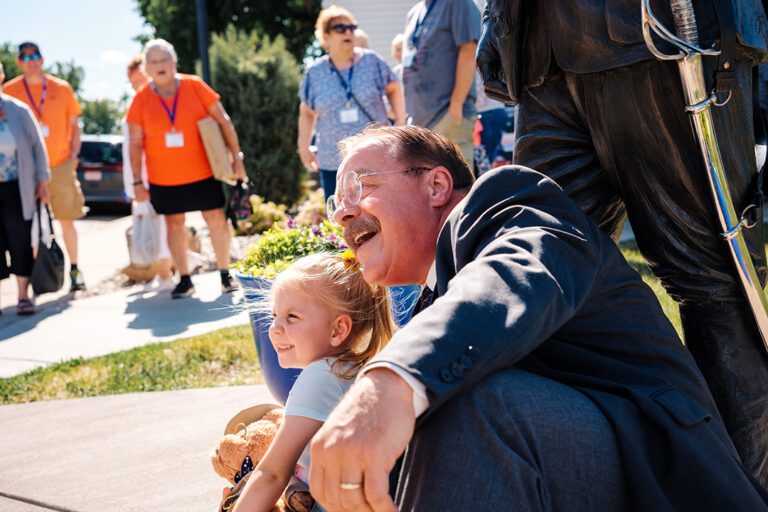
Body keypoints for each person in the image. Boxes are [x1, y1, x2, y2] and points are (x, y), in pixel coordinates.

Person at [309, 125, 768, 511]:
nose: (343, 212)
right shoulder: (435, 298)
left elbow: (517, 272)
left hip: (664, 473)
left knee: (481, 405)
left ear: (436, 186)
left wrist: (392, 379)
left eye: (361, 186)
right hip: (580, 468)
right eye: (335, 202)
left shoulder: (504, 201)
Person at [476, 0, 768, 484]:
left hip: (663, 37)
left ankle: (739, 493)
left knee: (712, 283)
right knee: (541, 277)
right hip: (539, 48)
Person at [229, 251, 395, 512]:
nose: (275, 328)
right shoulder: (350, 369)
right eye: (274, 316)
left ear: (338, 329)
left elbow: (272, 473)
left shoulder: (322, 375)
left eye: (292, 317)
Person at [126, 38, 246, 298]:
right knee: (173, 224)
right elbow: (134, 145)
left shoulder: (194, 86)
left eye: (164, 59)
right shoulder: (140, 99)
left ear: (174, 61)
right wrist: (137, 181)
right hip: (163, 177)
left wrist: (236, 157)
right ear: (146, 67)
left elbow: (224, 122)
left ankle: (225, 275)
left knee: (216, 220)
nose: (160, 65)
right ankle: (185, 279)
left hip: (203, 171)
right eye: (153, 61)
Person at [298, 5, 406, 201]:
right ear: (326, 36)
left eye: (352, 27)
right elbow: (306, 110)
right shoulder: (315, 72)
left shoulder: (371, 61)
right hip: (333, 160)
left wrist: (400, 122)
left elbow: (394, 87)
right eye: (341, 28)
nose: (348, 32)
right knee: (340, 217)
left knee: (380, 213)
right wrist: (304, 146)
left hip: (376, 156)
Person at [4, 41, 86, 292]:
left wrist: (73, 157)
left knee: (66, 220)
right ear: (19, 62)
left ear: (42, 59)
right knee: (29, 226)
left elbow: (75, 126)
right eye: (26, 57)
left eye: (36, 55)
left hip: (60, 164)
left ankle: (74, 268)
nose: (31, 60)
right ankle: (39, 277)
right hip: (25, 171)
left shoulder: (61, 88)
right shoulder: (10, 90)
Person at [401, 0, 480, 172]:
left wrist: (456, 105)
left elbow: (468, 49)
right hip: (418, 122)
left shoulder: (458, 3)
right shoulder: (414, 12)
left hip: (447, 116)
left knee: (457, 189)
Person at [0, 61, 49, 315]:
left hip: (18, 188)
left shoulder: (18, 110)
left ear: (1, 76)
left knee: (20, 241)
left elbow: (39, 148)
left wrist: (43, 181)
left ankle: (23, 296)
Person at [122, 55, 174, 291]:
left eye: (140, 79)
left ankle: (165, 275)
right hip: (140, 180)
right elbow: (128, 151)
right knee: (152, 228)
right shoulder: (135, 108)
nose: (137, 86)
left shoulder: (157, 107)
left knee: (164, 228)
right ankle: (160, 273)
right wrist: (133, 183)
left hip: (156, 177)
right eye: (132, 82)